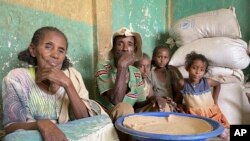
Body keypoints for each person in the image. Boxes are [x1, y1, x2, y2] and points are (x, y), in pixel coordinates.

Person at [2, 26, 115, 141]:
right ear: (33, 50)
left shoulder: (72, 76)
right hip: (36, 135)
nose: (55, 55)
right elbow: (10, 127)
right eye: (48, 47)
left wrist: (67, 84)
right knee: (12, 139)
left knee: (105, 123)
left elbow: (84, 119)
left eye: (61, 50)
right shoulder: (17, 78)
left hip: (69, 134)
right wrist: (42, 124)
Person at [175, 51, 229, 140]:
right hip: (194, 116)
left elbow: (218, 85)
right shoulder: (182, 83)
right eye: (194, 68)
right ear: (187, 68)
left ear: (205, 72)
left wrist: (215, 100)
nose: (197, 72)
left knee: (223, 133)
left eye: (201, 70)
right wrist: (180, 108)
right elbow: (178, 100)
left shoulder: (207, 82)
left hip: (212, 114)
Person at [149, 44, 183, 110]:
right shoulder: (151, 73)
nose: (162, 60)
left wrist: (176, 103)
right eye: (159, 57)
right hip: (157, 103)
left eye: (165, 57)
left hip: (171, 103)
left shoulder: (171, 72)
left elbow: (177, 90)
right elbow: (150, 93)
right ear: (153, 57)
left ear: (169, 59)